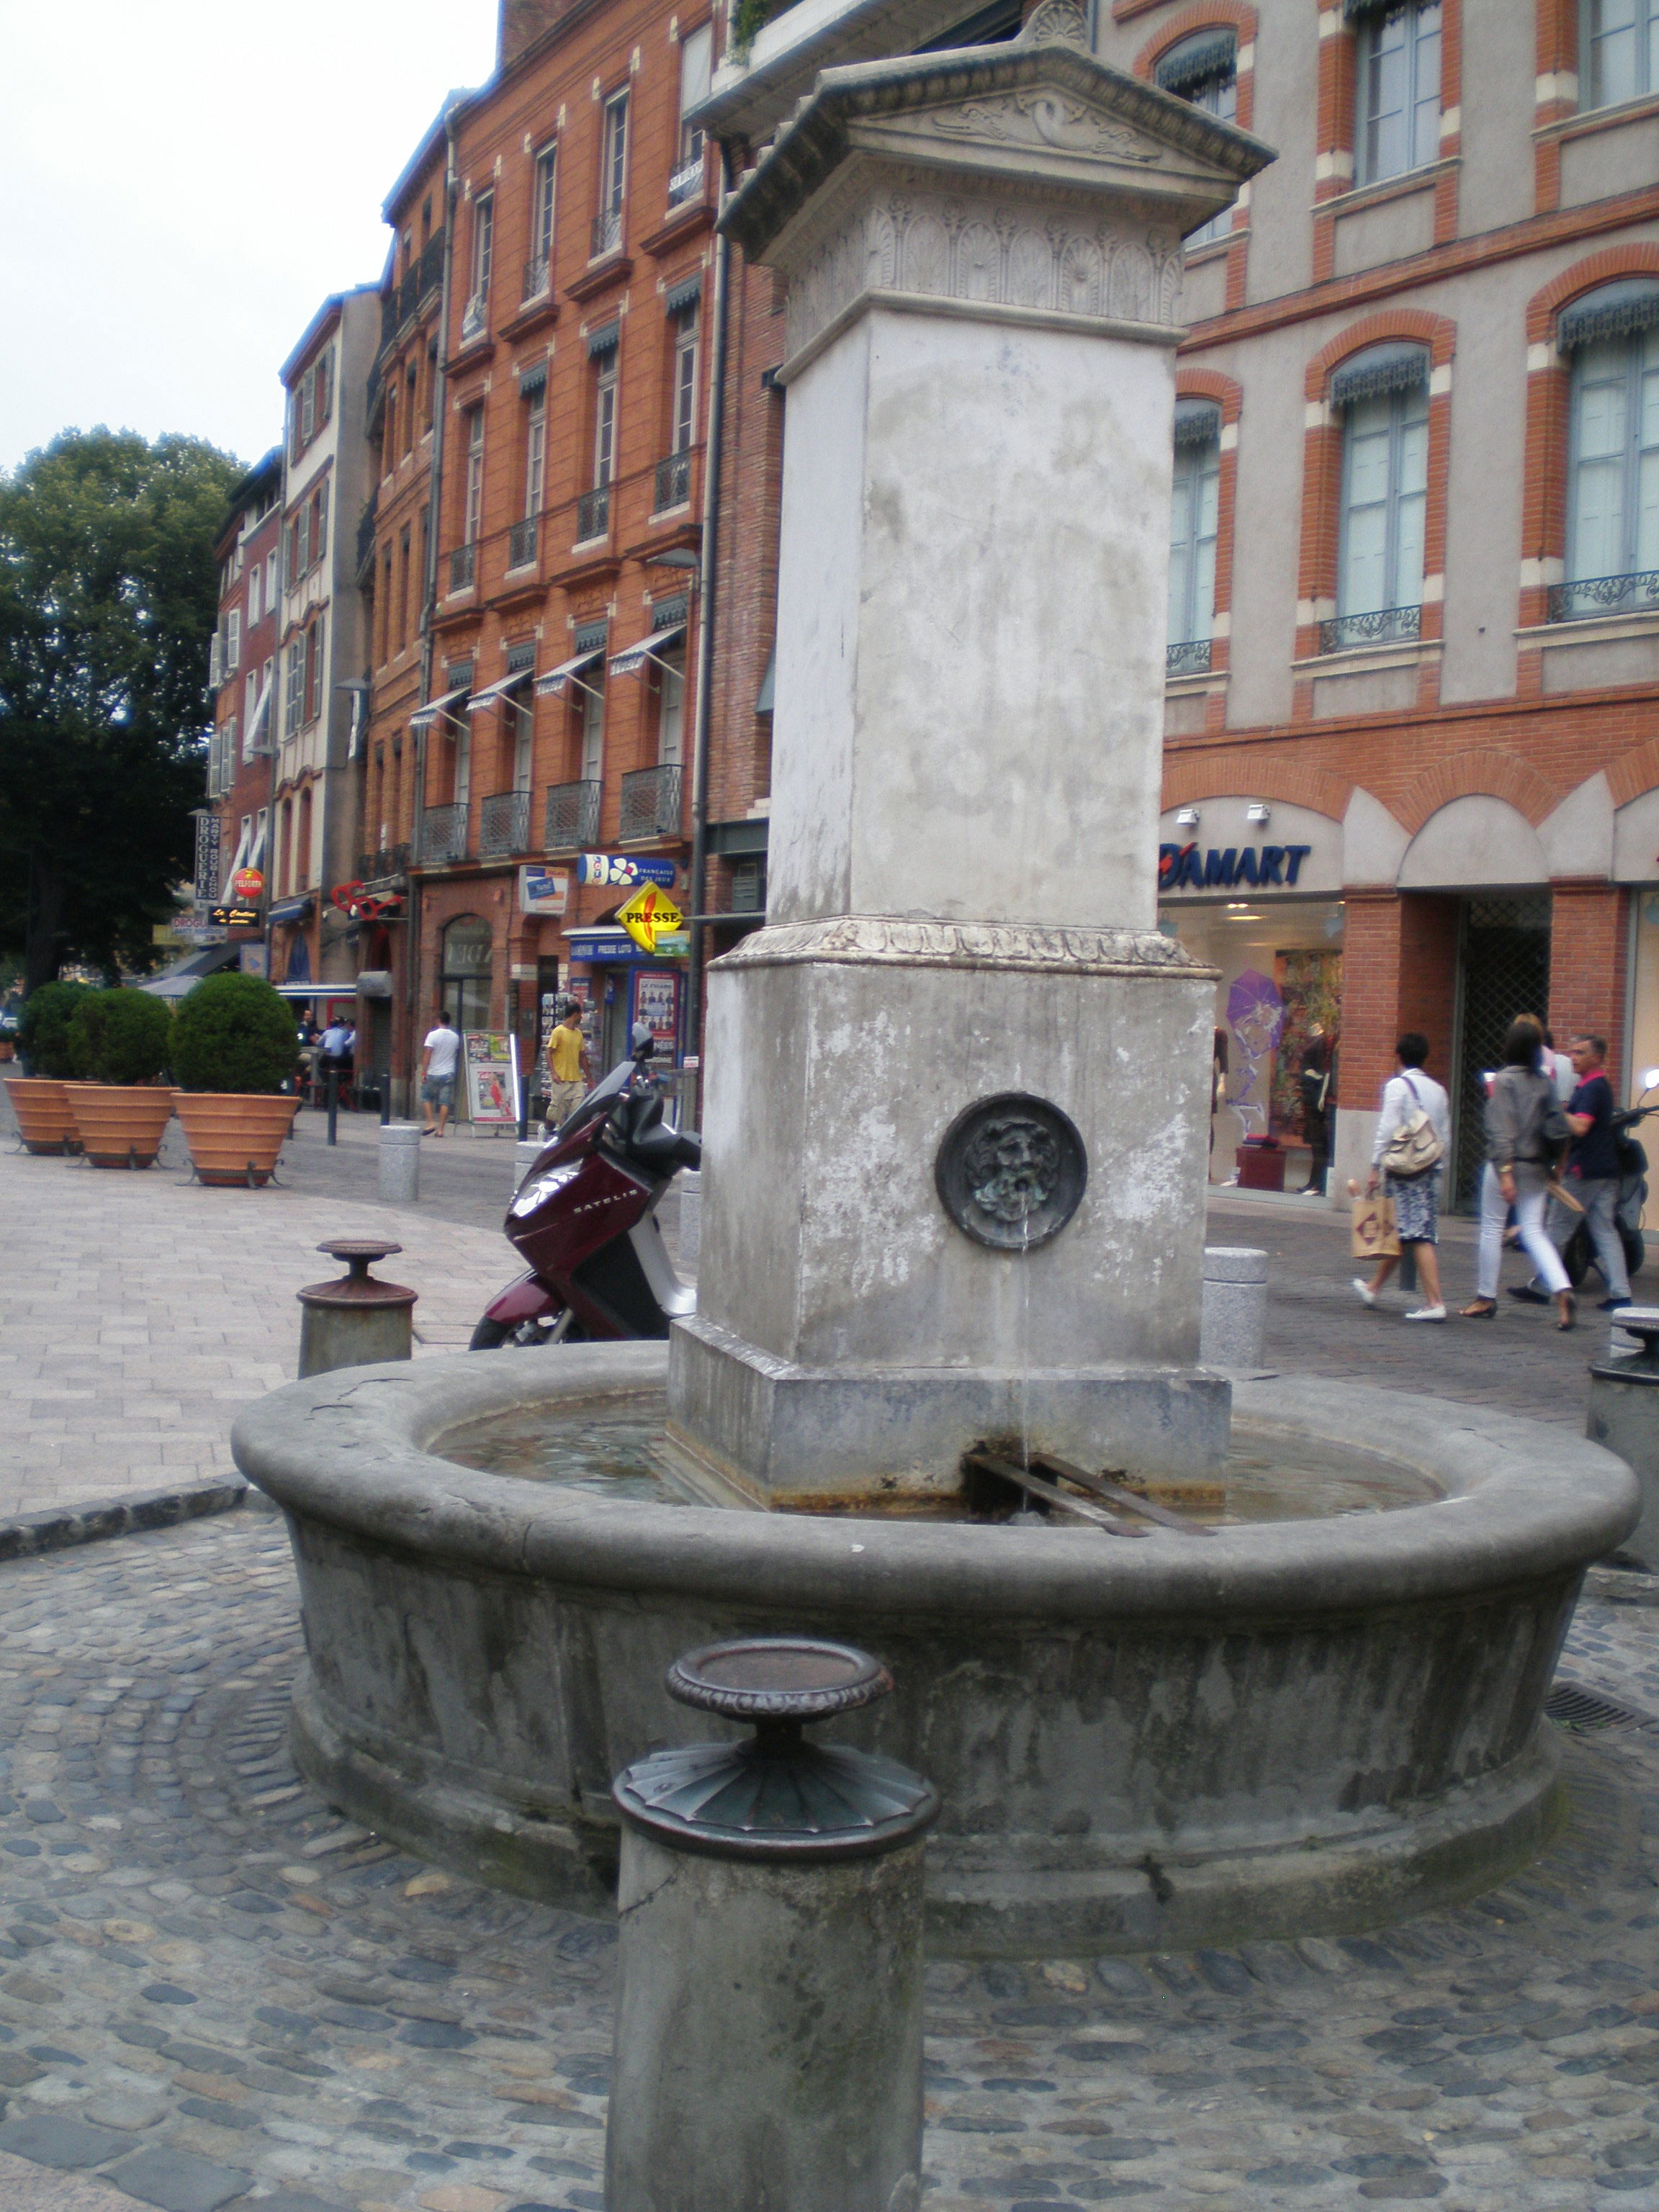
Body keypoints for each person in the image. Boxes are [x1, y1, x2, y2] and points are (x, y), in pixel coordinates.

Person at [1462, 1016, 1575, 1328]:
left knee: (1491, 1228)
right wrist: (1559, 1165)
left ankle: (1486, 1296)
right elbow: (1560, 1127)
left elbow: (1501, 1131)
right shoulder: (1545, 1082)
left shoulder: (1503, 1080)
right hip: (1538, 1166)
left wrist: (1506, 1173)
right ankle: (1562, 1289)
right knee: (1535, 1231)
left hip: (1507, 1165)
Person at [1516, 1033, 1632, 1312]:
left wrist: (1553, 1111)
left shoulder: (1592, 1088)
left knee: (1558, 1226)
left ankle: (1545, 1285)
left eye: (1580, 1053)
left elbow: (1580, 1128)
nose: (1573, 1057)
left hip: (1586, 1170)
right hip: (1604, 1168)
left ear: (1597, 1058)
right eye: (1571, 1052)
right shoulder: (1593, 1086)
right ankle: (1621, 1293)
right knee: (1605, 1230)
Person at [1352, 1033, 1451, 1321]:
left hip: (1405, 1169)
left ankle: (1435, 1302)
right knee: (1401, 1230)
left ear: (1399, 1057)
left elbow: (1387, 1127)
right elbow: (1444, 1133)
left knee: (1418, 1235)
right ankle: (1374, 1287)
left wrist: (1375, 1166)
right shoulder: (1438, 1090)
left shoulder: (1398, 1086)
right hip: (1431, 1167)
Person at [1297, 1024, 1332, 1196]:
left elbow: (1323, 1072)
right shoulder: (1316, 1041)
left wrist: (1308, 1075)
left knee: (1319, 1143)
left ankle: (1317, 1182)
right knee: (1316, 1143)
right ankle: (1315, 1181)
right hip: (1311, 1097)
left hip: (1315, 1098)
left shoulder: (1321, 1042)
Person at [544, 1001, 590, 1134]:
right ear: (575, 1014)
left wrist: (589, 1078)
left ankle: (567, 1136)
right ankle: (546, 1129)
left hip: (576, 1080)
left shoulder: (578, 1034)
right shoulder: (558, 1032)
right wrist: (554, 1073)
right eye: (580, 1014)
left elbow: (582, 1057)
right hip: (561, 1080)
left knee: (577, 1111)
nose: (582, 1017)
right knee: (555, 1113)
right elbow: (549, 1053)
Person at [421, 1010, 461, 1137]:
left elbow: (428, 1054)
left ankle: (431, 1122)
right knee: (445, 1102)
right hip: (449, 1072)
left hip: (433, 1072)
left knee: (426, 1097)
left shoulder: (432, 1035)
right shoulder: (455, 1037)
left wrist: (424, 1072)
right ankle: (441, 1130)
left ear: (438, 1020)